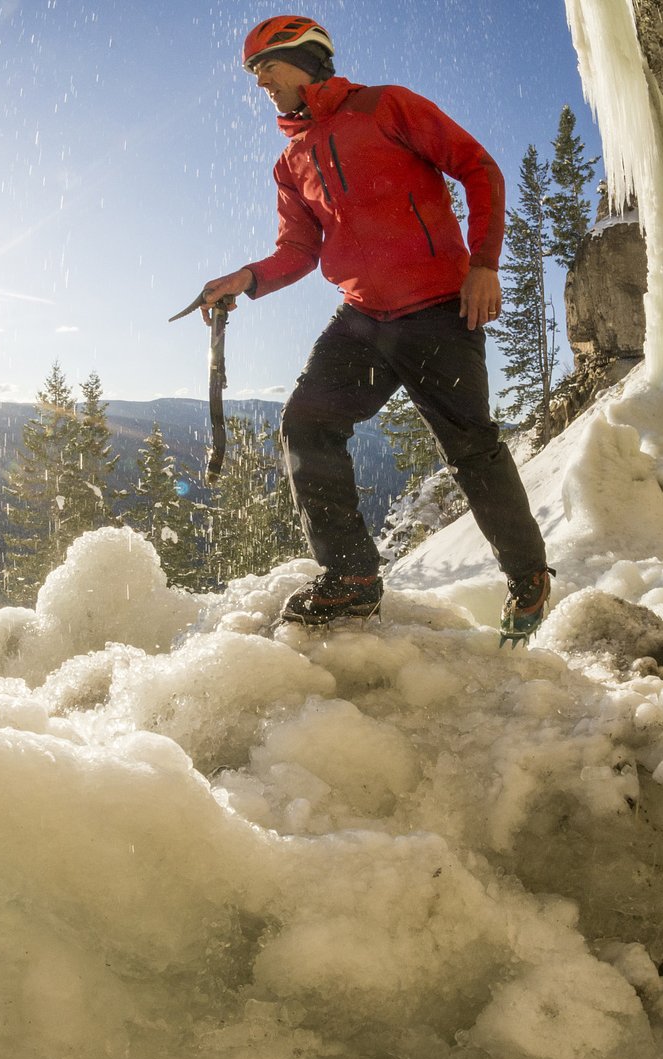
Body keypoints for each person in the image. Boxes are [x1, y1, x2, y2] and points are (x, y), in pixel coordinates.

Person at [198, 15, 553, 639]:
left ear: (305, 59)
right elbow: (299, 252)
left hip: (442, 306)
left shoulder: (387, 106)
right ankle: (353, 579)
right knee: (307, 423)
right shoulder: (290, 162)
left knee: (470, 446)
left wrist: (484, 265)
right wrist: (245, 279)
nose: (260, 85)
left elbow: (479, 170)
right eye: (254, 75)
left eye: (266, 70)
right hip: (362, 316)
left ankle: (528, 575)